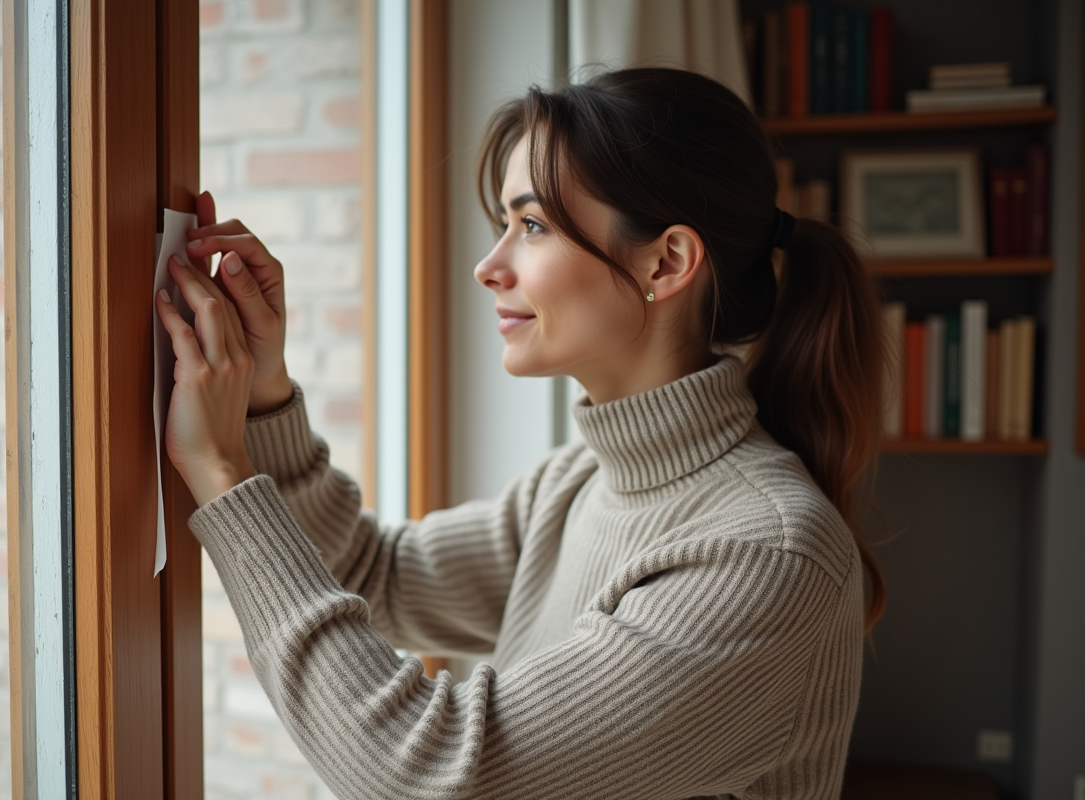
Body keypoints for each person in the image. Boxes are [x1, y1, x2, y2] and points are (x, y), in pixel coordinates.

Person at [156, 68, 886, 800]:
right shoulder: (575, 484)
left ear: (665, 262)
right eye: (504, 223)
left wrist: (222, 474)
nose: (488, 266)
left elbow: (424, 772)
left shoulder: (762, 553)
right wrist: (264, 396)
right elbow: (372, 575)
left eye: (531, 225)